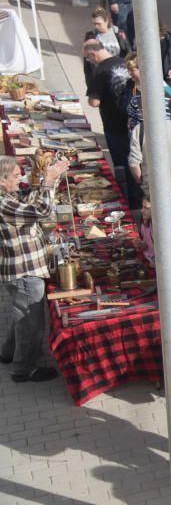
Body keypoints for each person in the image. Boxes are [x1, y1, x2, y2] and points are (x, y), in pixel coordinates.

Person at [0, 155, 71, 383]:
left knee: (22, 316)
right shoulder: (3, 204)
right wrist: (48, 181)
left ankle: (8, 352)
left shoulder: (8, 197)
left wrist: (51, 179)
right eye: (14, 175)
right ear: (2, 180)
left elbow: (30, 201)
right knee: (31, 323)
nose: (19, 176)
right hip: (24, 271)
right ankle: (23, 369)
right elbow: (41, 211)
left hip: (21, 269)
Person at [83, 38, 131, 195]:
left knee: (122, 164)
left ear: (92, 54)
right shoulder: (123, 61)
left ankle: (128, 196)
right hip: (131, 120)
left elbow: (94, 102)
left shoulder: (99, 72)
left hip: (114, 124)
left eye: (88, 58)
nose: (89, 61)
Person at [129, 96, 171, 197]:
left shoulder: (139, 130)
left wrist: (143, 184)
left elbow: (134, 163)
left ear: (142, 110)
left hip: (153, 190)